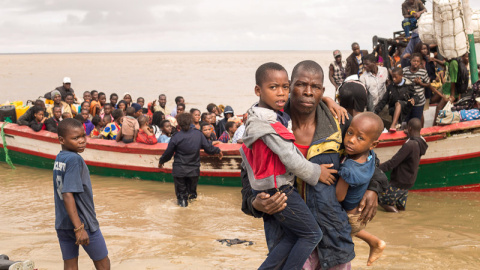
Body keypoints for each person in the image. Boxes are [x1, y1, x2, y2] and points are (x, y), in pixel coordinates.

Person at [241, 60, 388, 270]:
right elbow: (248, 175)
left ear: (322, 91)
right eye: (301, 85)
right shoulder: (268, 126)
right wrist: (255, 203)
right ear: (290, 86)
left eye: (316, 87)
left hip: (333, 237)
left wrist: (373, 189)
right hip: (288, 236)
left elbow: (370, 159)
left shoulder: (339, 123)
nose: (308, 92)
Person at [241, 62, 328, 270]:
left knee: (292, 235)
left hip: (273, 188)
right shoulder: (268, 125)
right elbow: (290, 158)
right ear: (258, 90)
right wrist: (318, 173)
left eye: (285, 87)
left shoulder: (265, 116)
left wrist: (328, 101)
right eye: (273, 88)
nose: (281, 93)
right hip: (280, 190)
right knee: (312, 234)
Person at [53, 118, 110, 270]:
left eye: (83, 136)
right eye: (75, 138)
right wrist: (79, 228)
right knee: (103, 264)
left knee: (70, 266)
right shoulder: (74, 159)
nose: (82, 141)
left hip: (63, 223)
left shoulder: (60, 157)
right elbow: (67, 194)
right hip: (83, 223)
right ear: (62, 140)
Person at [335, 112, 386, 266]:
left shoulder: (349, 168)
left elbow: (339, 197)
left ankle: (375, 242)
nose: (350, 140)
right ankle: (375, 242)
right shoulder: (370, 156)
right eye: (350, 133)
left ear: (373, 144)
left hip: (351, 217)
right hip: (359, 214)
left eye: (360, 138)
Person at [158, 113, 223, 207]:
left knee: (182, 197)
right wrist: (218, 151)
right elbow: (208, 148)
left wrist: (161, 162)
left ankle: (183, 216)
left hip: (179, 170)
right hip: (193, 170)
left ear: (179, 124)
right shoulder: (198, 134)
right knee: (192, 196)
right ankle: (192, 218)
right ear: (191, 122)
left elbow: (168, 153)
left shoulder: (176, 137)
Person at [379, 118, 428, 212]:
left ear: (409, 128)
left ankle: (396, 219)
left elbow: (393, 162)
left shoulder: (409, 145)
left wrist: (377, 169)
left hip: (399, 181)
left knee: (383, 202)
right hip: (409, 180)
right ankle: (402, 220)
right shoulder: (421, 143)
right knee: (400, 206)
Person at [374, 67, 418, 132]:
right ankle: (395, 125)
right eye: (393, 77)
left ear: (401, 76)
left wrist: (414, 99)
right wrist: (376, 111)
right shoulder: (391, 86)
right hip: (393, 111)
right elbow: (384, 100)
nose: (394, 79)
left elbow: (416, 96)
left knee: (399, 103)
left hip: (405, 111)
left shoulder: (408, 85)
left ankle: (393, 125)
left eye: (396, 77)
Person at [434, 53, 470, 125]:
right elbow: (444, 63)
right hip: (445, 88)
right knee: (434, 101)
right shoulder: (449, 62)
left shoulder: (453, 63)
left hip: (449, 91)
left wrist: (452, 95)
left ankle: (434, 126)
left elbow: (453, 80)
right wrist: (434, 59)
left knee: (439, 107)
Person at [403, 53, 430, 124]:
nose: (416, 63)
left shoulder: (423, 72)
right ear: (410, 61)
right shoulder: (405, 71)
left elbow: (428, 84)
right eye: (414, 61)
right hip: (407, 101)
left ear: (420, 62)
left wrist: (421, 83)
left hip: (419, 102)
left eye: (418, 61)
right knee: (406, 121)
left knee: (416, 121)